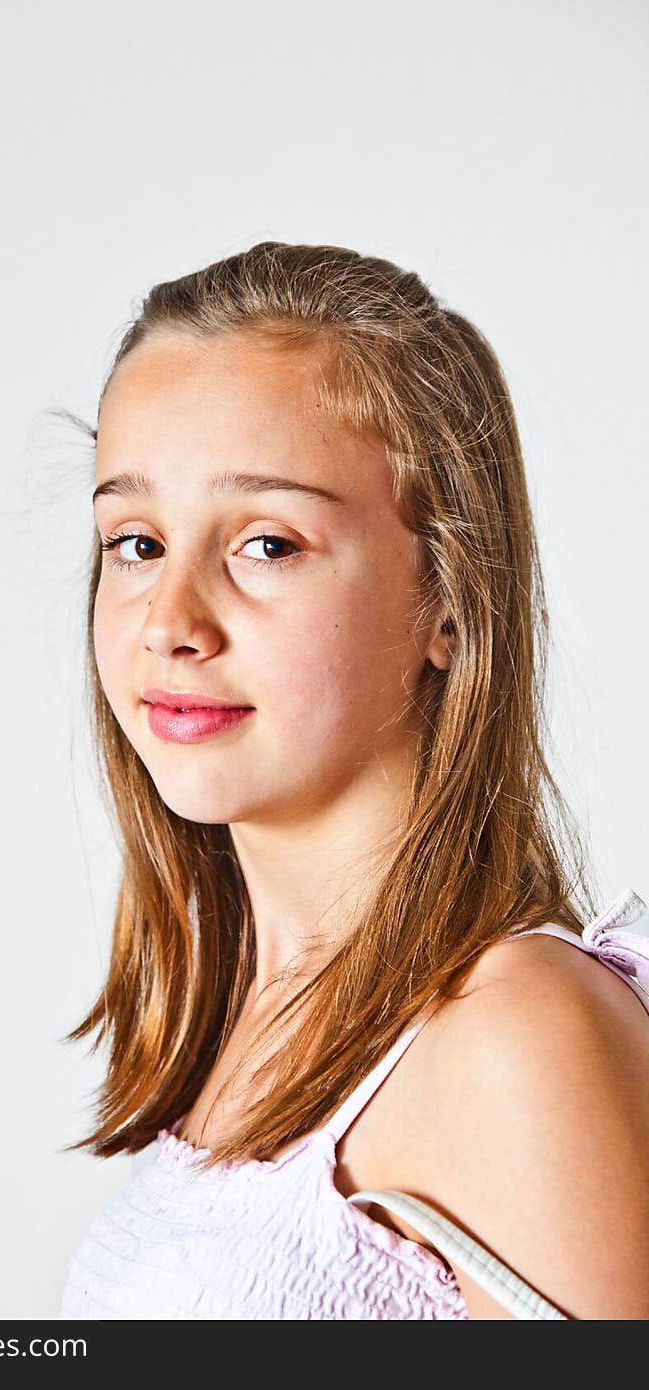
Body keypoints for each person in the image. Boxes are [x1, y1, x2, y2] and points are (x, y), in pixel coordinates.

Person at [55, 242, 649, 1319]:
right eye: (135, 541)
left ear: (449, 600)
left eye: (268, 544)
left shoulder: (515, 1034)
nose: (172, 623)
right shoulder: (242, 1007)